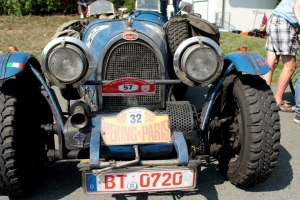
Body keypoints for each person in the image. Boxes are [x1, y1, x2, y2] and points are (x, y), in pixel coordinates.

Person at [262, 0, 300, 113]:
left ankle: (264, 97)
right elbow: (297, 7)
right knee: (290, 65)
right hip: (285, 22)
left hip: (274, 19)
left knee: (271, 62)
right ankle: (277, 101)